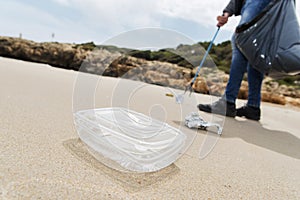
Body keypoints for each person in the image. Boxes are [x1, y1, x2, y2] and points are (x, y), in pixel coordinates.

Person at [197, 0, 273, 121]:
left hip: (257, 5)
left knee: (241, 42)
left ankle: (228, 101)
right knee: (256, 55)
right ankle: (253, 107)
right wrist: (226, 13)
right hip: (272, 18)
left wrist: (227, 13)